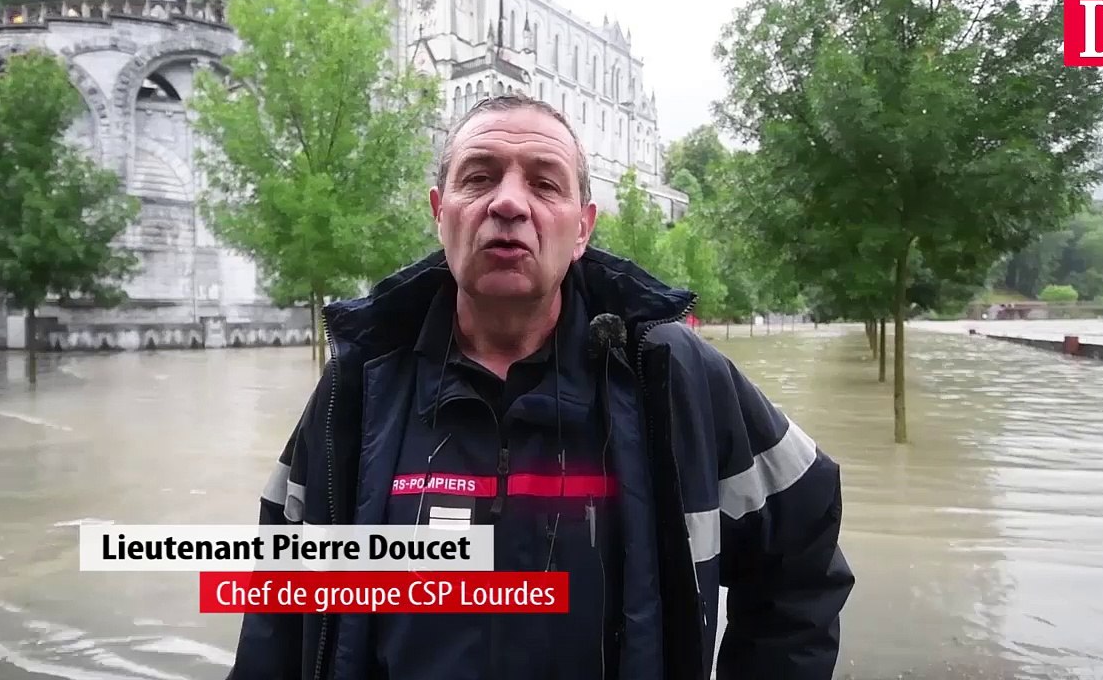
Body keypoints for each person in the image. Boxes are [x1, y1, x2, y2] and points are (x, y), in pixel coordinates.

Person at [226, 95, 854, 680]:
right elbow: (281, 600)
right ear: (439, 212)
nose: (508, 203)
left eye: (544, 183)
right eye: (478, 177)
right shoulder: (358, 385)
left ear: (582, 228)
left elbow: (801, 552)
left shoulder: (672, 374)